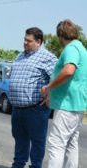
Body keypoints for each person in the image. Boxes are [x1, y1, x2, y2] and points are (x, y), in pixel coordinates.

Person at [41, 19, 87, 168]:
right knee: (71, 143)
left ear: (61, 35)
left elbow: (69, 70)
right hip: (77, 103)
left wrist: (49, 87)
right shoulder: (82, 49)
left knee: (57, 144)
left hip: (66, 104)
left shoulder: (71, 49)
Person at [9, 27, 57, 168]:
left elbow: (59, 78)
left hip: (35, 109)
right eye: (24, 39)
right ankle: (18, 164)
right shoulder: (20, 56)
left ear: (38, 42)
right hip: (17, 109)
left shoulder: (48, 58)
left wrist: (50, 95)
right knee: (20, 139)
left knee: (37, 141)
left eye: (28, 41)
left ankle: (35, 166)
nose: (24, 42)